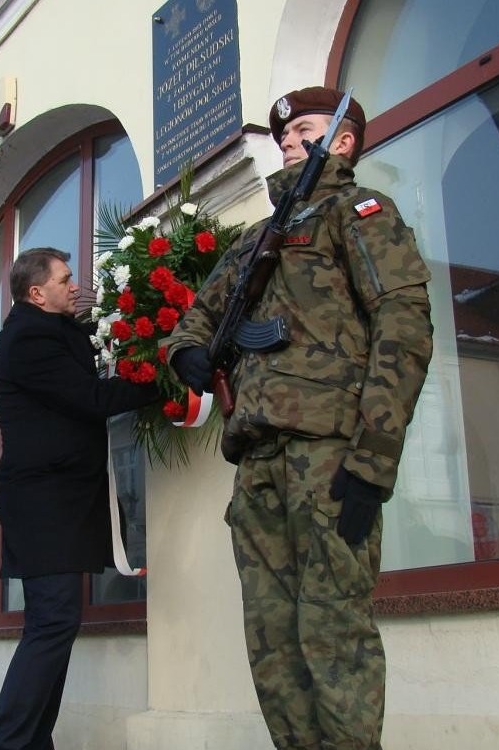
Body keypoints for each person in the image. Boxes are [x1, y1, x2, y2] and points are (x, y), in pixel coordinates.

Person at [164, 86, 434, 750]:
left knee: (333, 631)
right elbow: (194, 320)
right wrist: (189, 354)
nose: (287, 140)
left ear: (342, 141)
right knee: (273, 640)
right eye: (282, 133)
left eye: (303, 129)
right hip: (258, 461)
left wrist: (373, 461)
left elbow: (404, 329)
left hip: (330, 454)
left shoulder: (359, 212)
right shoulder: (260, 237)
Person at [0, 247, 159, 750]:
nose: (74, 284)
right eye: (64, 278)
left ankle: (31, 742)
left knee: (55, 621)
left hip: (57, 499)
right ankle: (5, 742)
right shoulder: (31, 338)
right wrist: (162, 381)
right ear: (37, 293)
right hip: (45, 502)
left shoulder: (51, 332)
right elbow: (92, 399)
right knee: (52, 621)